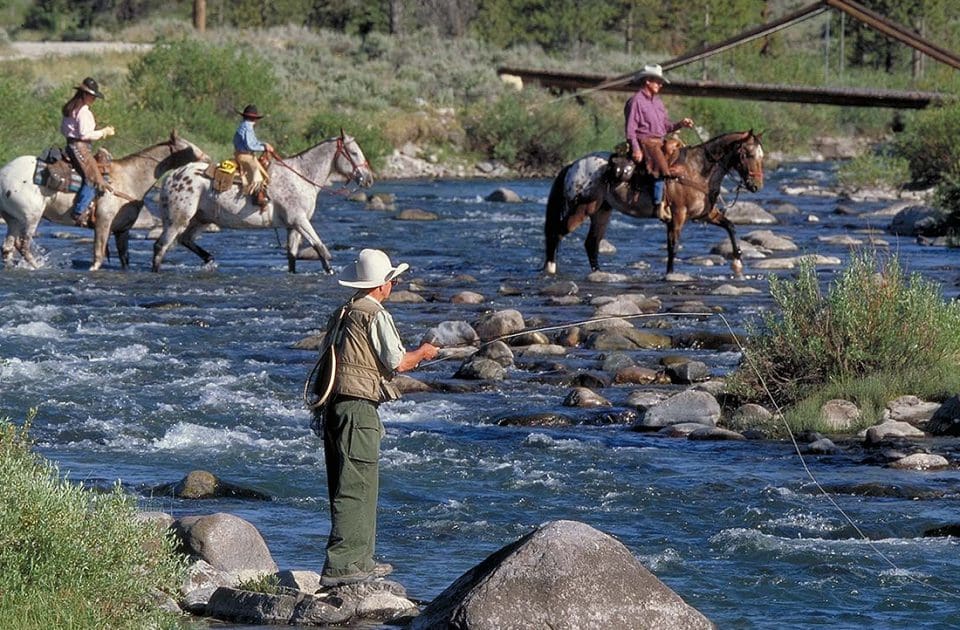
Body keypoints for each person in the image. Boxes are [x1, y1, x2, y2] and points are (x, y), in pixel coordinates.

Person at [314, 248, 439, 587]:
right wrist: (425, 353)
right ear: (382, 284)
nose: (394, 286)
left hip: (335, 408)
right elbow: (398, 362)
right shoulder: (374, 313)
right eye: (393, 281)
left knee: (346, 483)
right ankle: (343, 568)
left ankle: (360, 560)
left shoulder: (343, 312)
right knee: (359, 486)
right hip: (358, 410)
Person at [624, 64, 694, 222]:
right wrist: (636, 148)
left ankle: (676, 199)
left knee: (681, 159)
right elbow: (630, 130)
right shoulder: (635, 101)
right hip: (645, 142)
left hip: (660, 141)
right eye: (657, 82)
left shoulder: (658, 102)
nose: (660, 85)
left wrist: (680, 124)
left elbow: (665, 126)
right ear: (648, 81)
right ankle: (658, 206)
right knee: (662, 168)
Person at [60, 77, 115, 227]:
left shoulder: (70, 108)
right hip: (80, 147)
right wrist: (103, 132)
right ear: (84, 94)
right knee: (92, 178)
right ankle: (79, 212)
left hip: (71, 145)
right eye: (92, 96)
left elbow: (63, 129)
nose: (93, 99)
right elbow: (85, 134)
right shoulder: (83, 111)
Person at [232, 104, 275, 209]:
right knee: (256, 173)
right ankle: (258, 197)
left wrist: (264, 144)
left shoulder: (246, 126)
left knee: (264, 172)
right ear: (254, 118)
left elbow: (253, 142)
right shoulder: (247, 126)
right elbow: (250, 145)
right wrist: (264, 147)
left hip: (246, 155)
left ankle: (261, 193)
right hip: (244, 156)